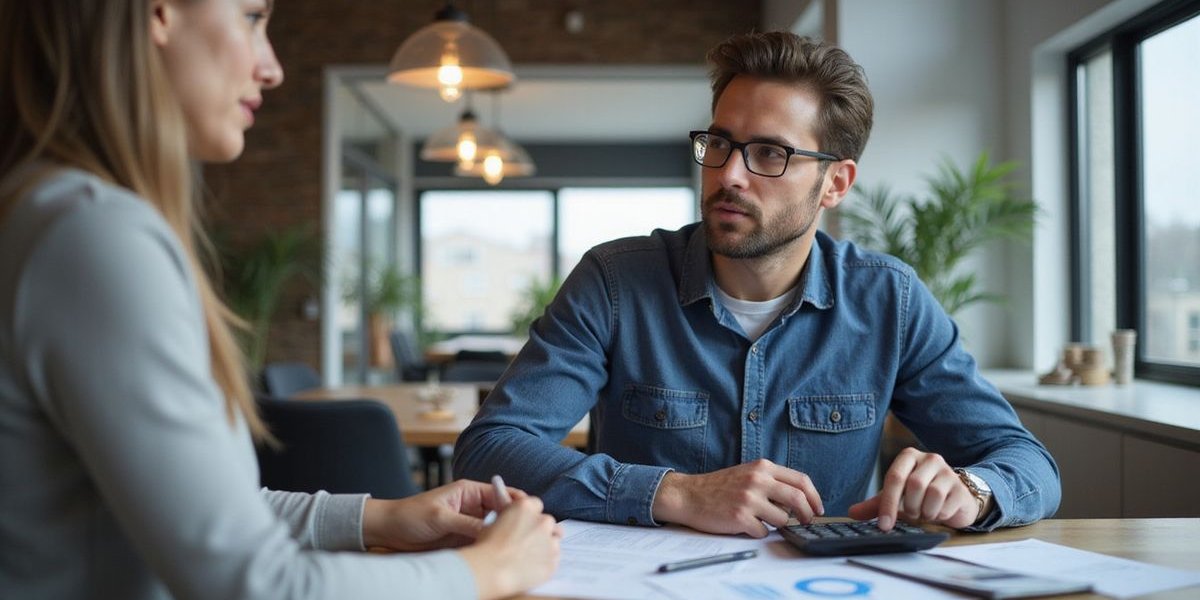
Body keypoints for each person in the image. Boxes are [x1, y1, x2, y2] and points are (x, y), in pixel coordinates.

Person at [0, 2, 558, 599]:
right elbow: (258, 585)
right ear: (158, 13)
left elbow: (214, 518)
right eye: (251, 17)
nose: (272, 68)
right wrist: (487, 570)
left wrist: (384, 517)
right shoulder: (95, 237)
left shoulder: (52, 212)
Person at [454, 31, 1061, 537]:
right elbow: (491, 447)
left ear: (835, 183)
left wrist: (973, 491)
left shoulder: (889, 301)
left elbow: (1028, 464)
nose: (730, 174)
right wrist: (676, 493)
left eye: (770, 153)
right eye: (720, 143)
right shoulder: (616, 282)